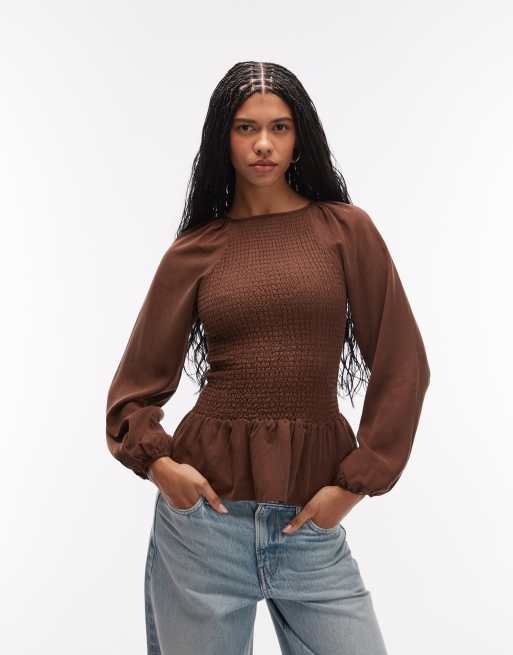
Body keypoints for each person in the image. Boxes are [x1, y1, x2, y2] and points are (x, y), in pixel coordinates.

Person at [105, 61, 430, 655]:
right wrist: (162, 468)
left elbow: (402, 361)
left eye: (279, 127)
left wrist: (355, 485)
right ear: (223, 139)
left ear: (299, 135)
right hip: (203, 525)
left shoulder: (345, 231)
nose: (262, 144)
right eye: (246, 128)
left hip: (310, 524)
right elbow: (133, 390)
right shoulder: (195, 250)